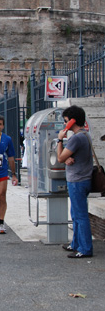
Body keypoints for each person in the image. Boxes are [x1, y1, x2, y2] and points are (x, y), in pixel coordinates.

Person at [57, 105, 93, 258]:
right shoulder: (85, 135)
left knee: (80, 216)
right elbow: (67, 158)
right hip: (82, 179)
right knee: (76, 214)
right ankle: (76, 244)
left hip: (77, 181)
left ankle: (85, 249)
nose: (64, 124)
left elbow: (59, 158)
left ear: (72, 121)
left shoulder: (76, 138)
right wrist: (67, 159)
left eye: (66, 121)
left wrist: (60, 139)